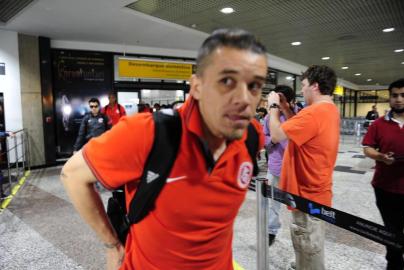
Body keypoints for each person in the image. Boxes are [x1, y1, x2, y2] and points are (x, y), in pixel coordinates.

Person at [60, 28, 267, 270]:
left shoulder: (252, 135)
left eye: (254, 85)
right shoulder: (147, 134)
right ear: (197, 86)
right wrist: (112, 244)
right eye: (227, 81)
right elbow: (72, 175)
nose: (243, 99)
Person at [268, 65, 340, 270]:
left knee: (308, 241)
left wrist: (273, 107)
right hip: (316, 190)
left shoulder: (314, 112)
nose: (302, 90)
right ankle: (304, 264)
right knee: (309, 240)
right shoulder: (327, 109)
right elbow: (298, 130)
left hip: (307, 194)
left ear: (315, 86)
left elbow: (277, 135)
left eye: (305, 85)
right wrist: (284, 108)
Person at [362, 78, 404, 270]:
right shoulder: (378, 124)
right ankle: (395, 265)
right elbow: (367, 148)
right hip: (386, 187)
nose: (399, 99)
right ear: (389, 98)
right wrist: (380, 156)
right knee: (392, 231)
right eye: (395, 95)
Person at [263, 85, 295, 246]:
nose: (277, 101)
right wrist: (272, 140)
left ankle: (298, 234)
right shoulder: (269, 118)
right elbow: (265, 139)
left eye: (281, 98)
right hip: (275, 166)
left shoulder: (297, 116)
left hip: (294, 169)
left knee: (297, 205)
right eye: (276, 97)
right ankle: (271, 231)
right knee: (273, 201)